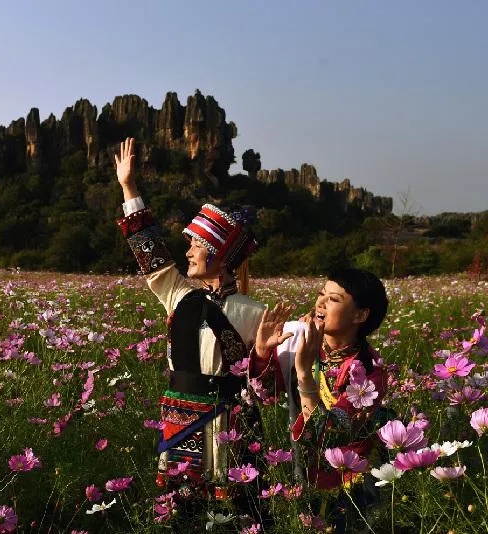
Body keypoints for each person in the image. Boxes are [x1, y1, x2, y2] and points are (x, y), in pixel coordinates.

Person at [114, 138, 266, 515]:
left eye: (195, 245)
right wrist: (129, 188)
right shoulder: (178, 295)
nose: (187, 253)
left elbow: (266, 381)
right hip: (179, 416)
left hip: (229, 422)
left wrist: (264, 352)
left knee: (231, 510)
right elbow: (149, 250)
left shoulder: (256, 313)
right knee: (182, 509)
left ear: (219, 254)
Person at [250, 267, 390, 532]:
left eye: (334, 299)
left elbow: (330, 435)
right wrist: (262, 351)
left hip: (347, 479)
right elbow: (265, 395)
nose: (321, 303)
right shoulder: (300, 341)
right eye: (321, 294)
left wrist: (304, 374)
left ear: (360, 315)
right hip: (298, 467)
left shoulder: (369, 369)